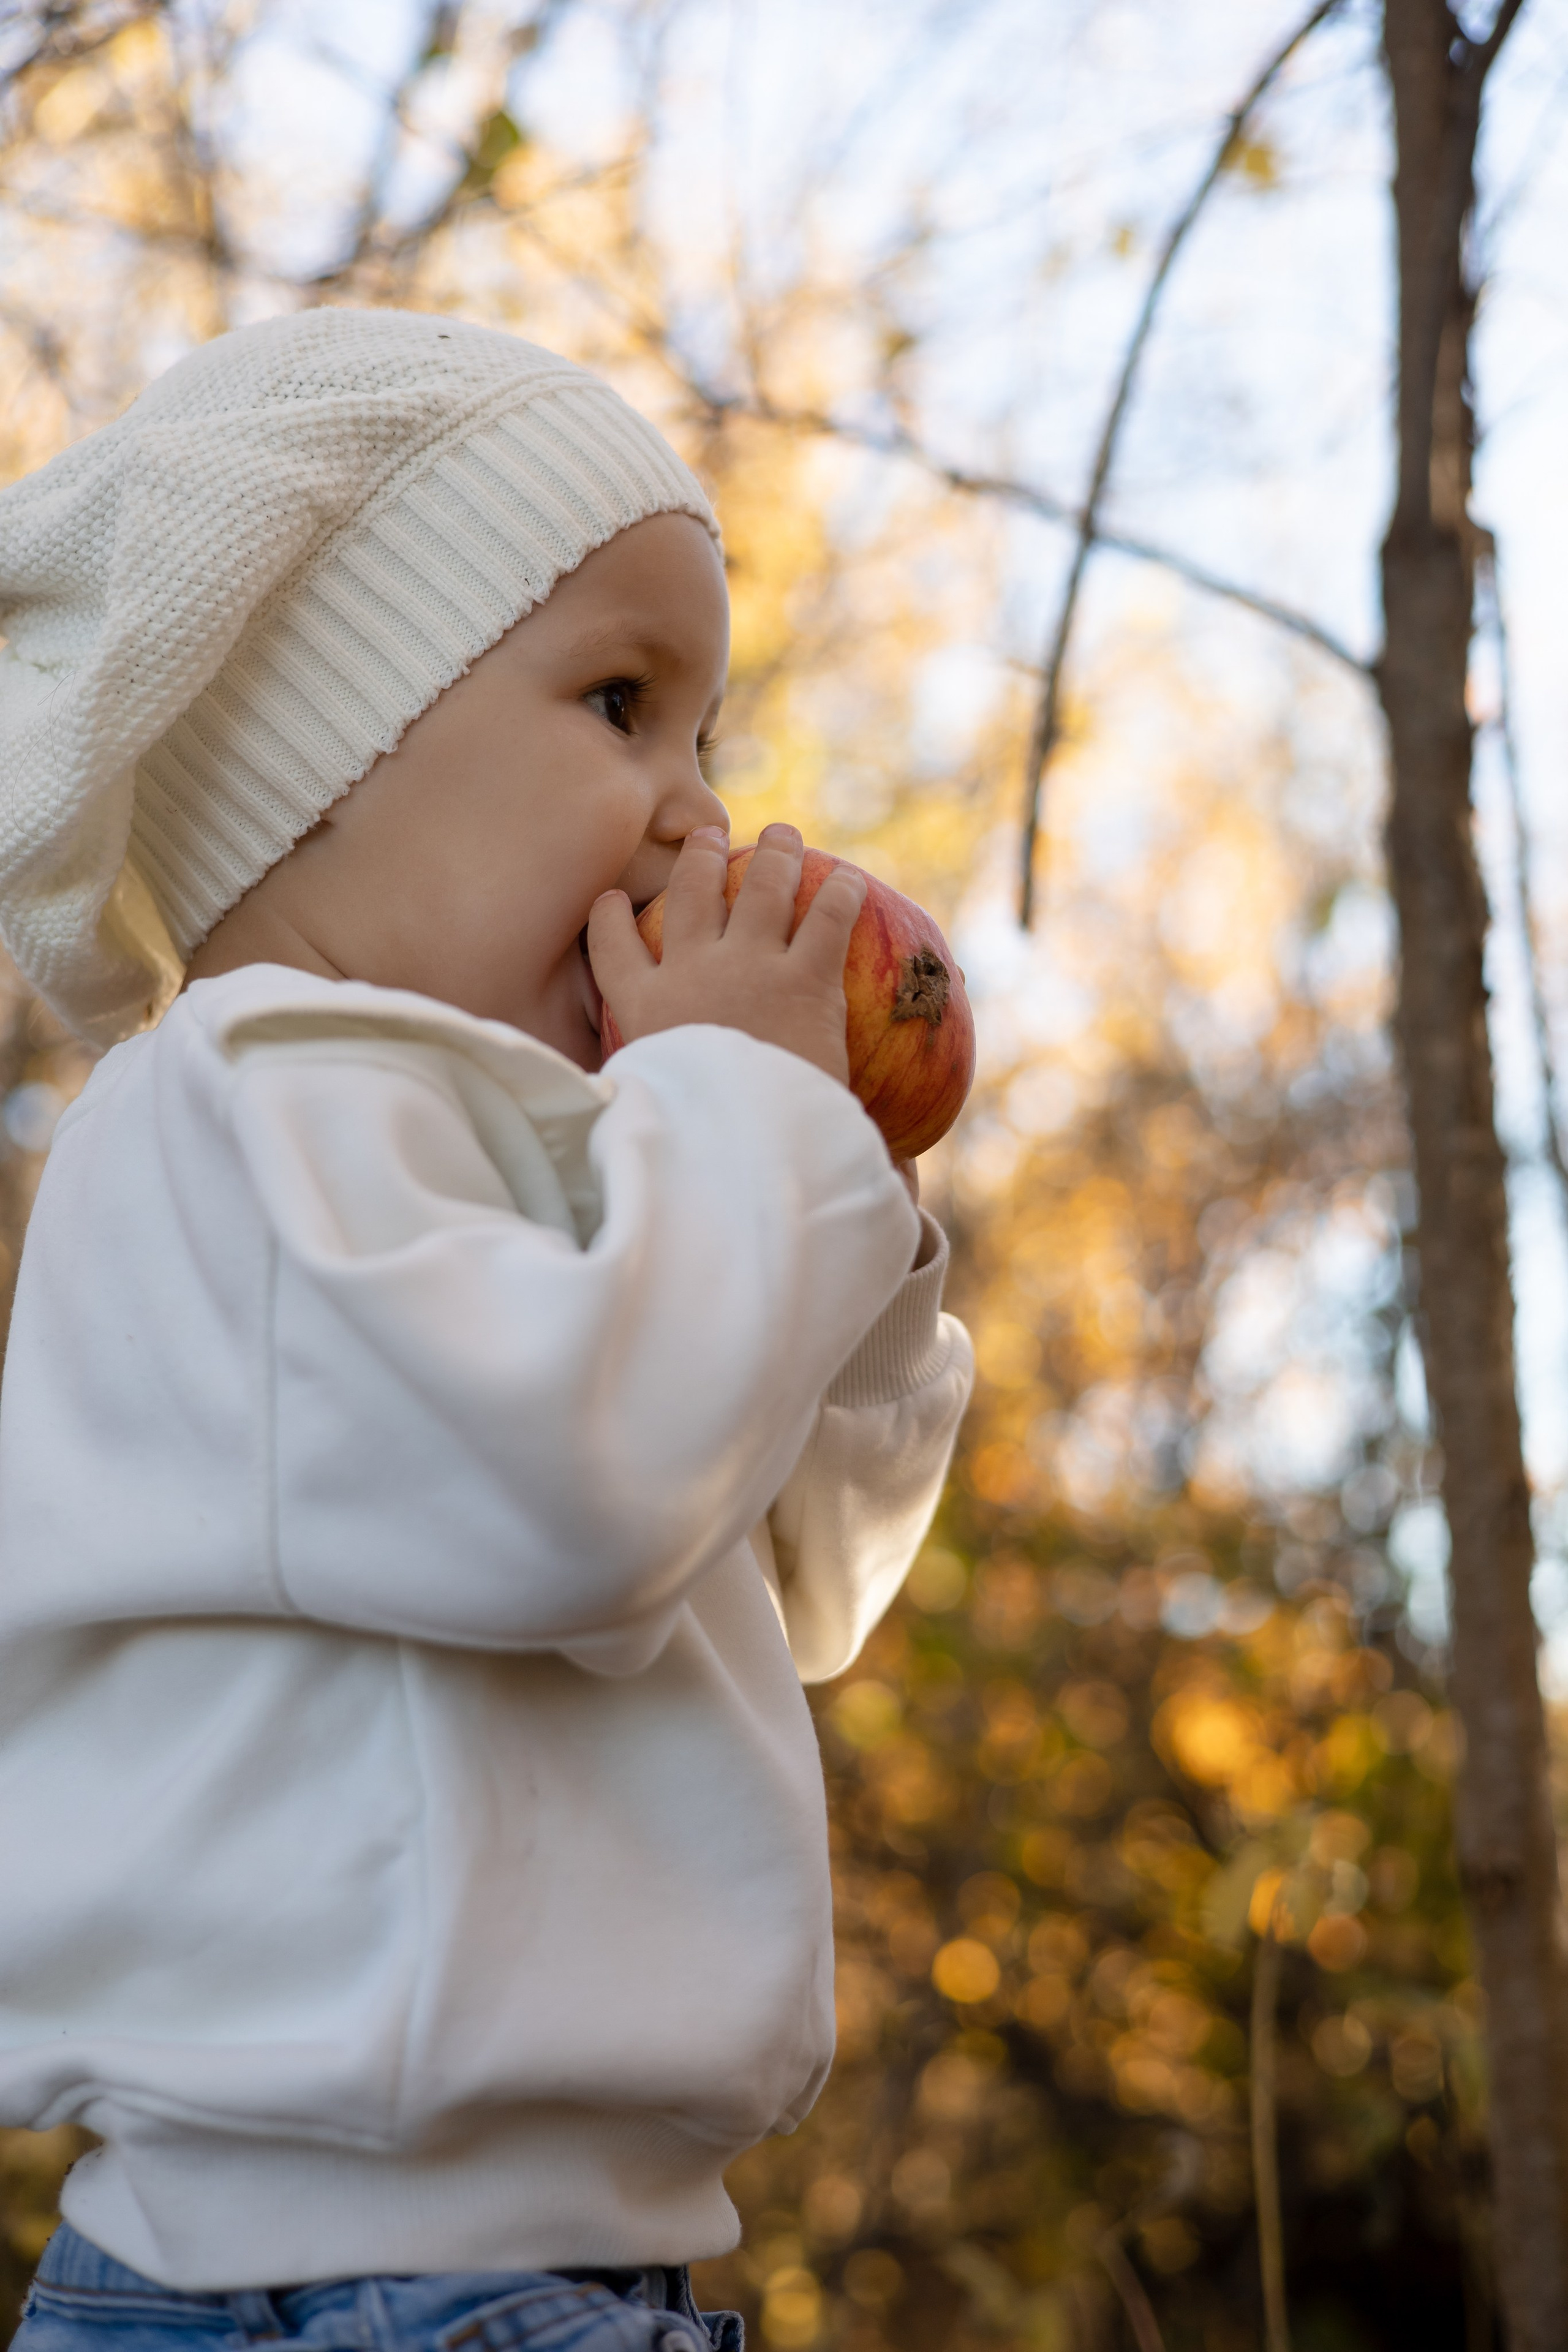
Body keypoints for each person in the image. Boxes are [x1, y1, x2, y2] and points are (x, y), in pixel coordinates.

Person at [0, 309, 973, 2352]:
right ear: (320, 754)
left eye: (707, 736)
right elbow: (585, 1496)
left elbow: (800, 1574)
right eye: (621, 702)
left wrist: (853, 1226)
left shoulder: (533, 1164)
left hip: (521, 2271)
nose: (699, 817)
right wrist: (749, 1125)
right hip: (337, 2280)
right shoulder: (248, 1114)